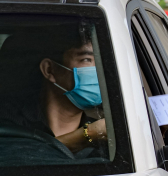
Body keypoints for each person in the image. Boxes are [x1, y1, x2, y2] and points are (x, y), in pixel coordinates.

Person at [0, 22, 107, 155]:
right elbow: (13, 161)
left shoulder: (108, 135)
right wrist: (85, 136)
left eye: (102, 61)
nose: (98, 72)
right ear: (49, 70)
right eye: (86, 60)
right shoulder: (7, 122)